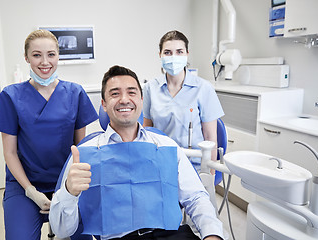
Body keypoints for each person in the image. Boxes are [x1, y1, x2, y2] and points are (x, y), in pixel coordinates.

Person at [49, 65, 224, 240]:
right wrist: (68, 192)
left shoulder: (166, 146)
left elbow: (196, 197)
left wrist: (212, 234)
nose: (124, 99)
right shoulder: (85, 155)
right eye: (115, 94)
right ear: (103, 104)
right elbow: (62, 230)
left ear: (141, 100)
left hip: (172, 236)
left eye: (131, 92)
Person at [0, 29, 98, 240]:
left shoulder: (75, 93)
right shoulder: (11, 96)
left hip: (66, 182)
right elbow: (9, 153)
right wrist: (30, 191)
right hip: (24, 185)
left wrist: (68, 189)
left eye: (51, 54)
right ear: (26, 58)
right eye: (37, 55)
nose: (45, 61)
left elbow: (79, 149)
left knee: (84, 235)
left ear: (58, 56)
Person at [142, 30, 224, 172]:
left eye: (179, 52)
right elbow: (147, 130)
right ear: (160, 55)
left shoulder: (204, 88)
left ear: (187, 53)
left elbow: (210, 138)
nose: (173, 57)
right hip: (161, 163)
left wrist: (209, 176)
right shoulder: (150, 88)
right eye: (167, 52)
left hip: (195, 165)